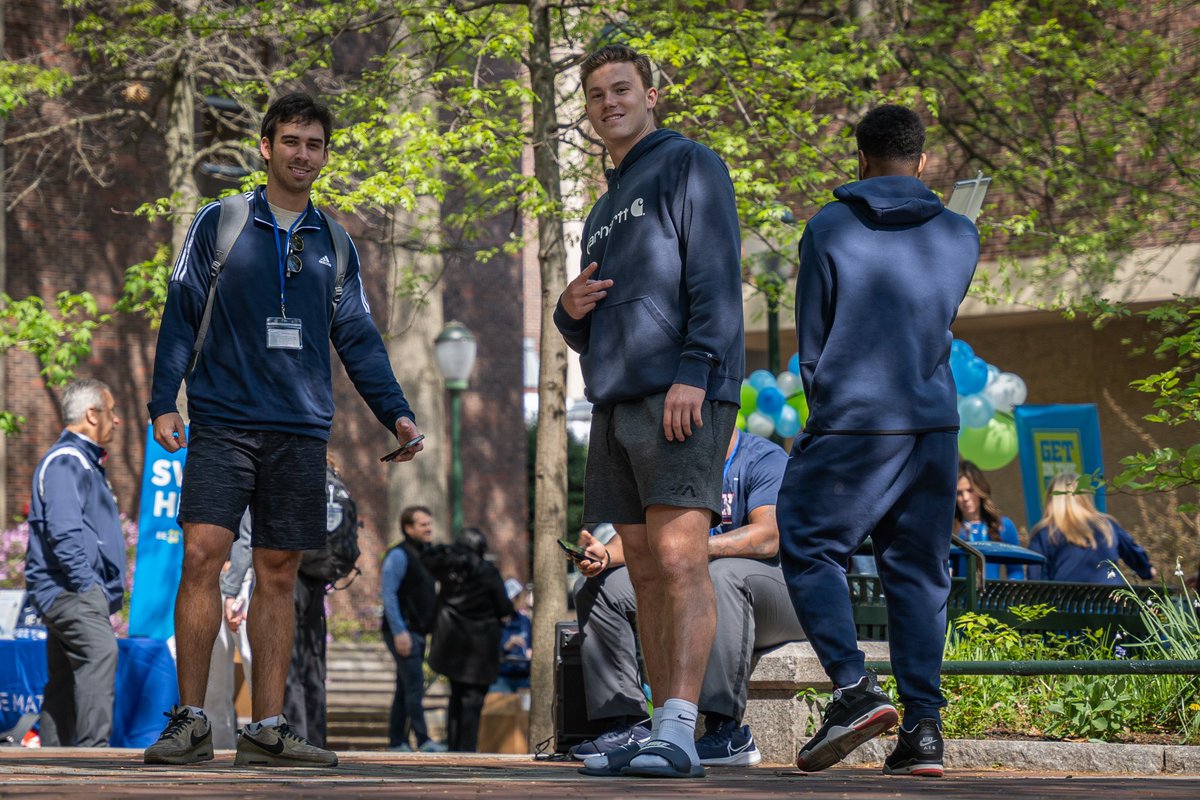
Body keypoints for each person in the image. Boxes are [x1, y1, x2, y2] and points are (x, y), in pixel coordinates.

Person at [143, 92, 422, 768]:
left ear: (324, 155)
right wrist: (163, 402)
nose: (303, 154)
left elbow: (357, 336)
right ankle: (191, 722)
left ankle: (266, 728)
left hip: (299, 429)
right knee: (204, 554)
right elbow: (181, 312)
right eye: (291, 141)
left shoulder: (334, 240)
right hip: (223, 423)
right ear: (266, 147)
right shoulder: (222, 220)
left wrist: (397, 411)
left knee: (278, 570)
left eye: (315, 144)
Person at [553, 43, 744, 780]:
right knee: (643, 571)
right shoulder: (601, 207)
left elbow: (716, 278)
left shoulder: (690, 164)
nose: (609, 103)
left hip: (680, 391)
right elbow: (596, 315)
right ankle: (660, 727)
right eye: (596, 94)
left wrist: (695, 372)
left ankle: (684, 727)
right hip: (614, 401)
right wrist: (567, 315)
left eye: (621, 88)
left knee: (677, 557)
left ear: (652, 94)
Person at [776, 104, 980, 778]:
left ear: (860, 159)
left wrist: (825, 410)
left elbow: (814, 339)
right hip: (932, 425)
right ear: (922, 162)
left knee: (806, 540)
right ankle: (923, 730)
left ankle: (854, 690)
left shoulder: (828, 228)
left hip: (856, 420)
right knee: (920, 574)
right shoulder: (959, 234)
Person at [571, 428, 804, 770]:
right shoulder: (670, 464)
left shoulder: (762, 458)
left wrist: (694, 550)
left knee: (721, 576)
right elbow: (649, 542)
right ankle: (629, 724)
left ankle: (726, 731)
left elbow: (768, 537)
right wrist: (605, 555)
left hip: (775, 594)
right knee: (601, 587)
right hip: (697, 585)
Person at [23, 379, 124, 747]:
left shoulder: (83, 462)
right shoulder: (67, 462)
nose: (118, 421)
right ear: (91, 415)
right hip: (69, 591)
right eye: (111, 412)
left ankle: (47, 757)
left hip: (72, 591)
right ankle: (93, 755)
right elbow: (63, 534)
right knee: (100, 653)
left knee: (65, 678)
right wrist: (89, 588)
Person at [422, 528, 514, 752]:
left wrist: (450, 551)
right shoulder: (488, 572)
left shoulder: (448, 570)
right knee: (473, 701)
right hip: (480, 647)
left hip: (452, 643)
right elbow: (504, 606)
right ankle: (466, 749)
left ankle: (454, 746)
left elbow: (427, 558)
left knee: (456, 697)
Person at [380, 505, 442, 752]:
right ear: (408, 528)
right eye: (422, 524)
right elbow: (388, 594)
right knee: (415, 683)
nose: (428, 528)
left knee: (405, 686)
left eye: (429, 523)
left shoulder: (427, 553)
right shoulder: (398, 555)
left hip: (418, 631)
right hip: (402, 631)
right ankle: (424, 740)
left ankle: (397, 741)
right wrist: (399, 631)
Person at [1028, 473, 1156, 585]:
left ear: (1052, 499)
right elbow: (1136, 555)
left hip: (1066, 606)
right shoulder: (1106, 525)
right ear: (1084, 497)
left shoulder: (1044, 533)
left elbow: (1035, 580)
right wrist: (1147, 570)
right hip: (1112, 605)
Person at [207, 511, 254, 750]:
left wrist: (233, 588)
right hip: (214, 578)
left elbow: (246, 535)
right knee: (214, 676)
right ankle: (219, 744)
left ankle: (264, 733)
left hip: (243, 579)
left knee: (253, 661)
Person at [953, 460, 1025, 580]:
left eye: (970, 490)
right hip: (960, 598)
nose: (965, 498)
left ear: (980, 489)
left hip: (992, 598)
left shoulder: (1003, 526)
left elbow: (1016, 571)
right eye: (959, 493)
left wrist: (1007, 592)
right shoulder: (950, 530)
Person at [491, 578, 532, 693]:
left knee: (526, 708)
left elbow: (531, 643)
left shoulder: (524, 620)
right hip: (502, 677)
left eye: (516, 598)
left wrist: (531, 651)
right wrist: (507, 645)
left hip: (523, 677)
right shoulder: (495, 621)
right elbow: (489, 650)